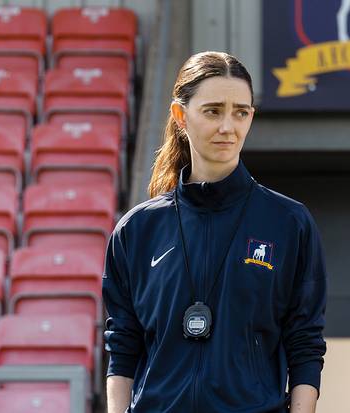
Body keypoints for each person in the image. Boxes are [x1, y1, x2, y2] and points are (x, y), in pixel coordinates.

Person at [103, 51, 327, 413]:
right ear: (181, 116)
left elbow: (305, 343)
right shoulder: (137, 230)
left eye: (240, 112)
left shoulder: (289, 223)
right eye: (213, 111)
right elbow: (123, 344)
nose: (228, 127)